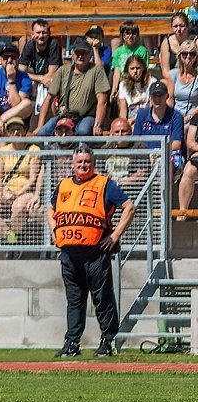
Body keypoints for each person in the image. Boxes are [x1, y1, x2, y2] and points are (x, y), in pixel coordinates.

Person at [50, 142, 131, 359]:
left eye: (87, 161)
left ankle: (107, 341)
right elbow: (50, 208)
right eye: (79, 162)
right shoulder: (63, 186)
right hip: (69, 255)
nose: (83, 165)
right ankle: (72, 343)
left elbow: (129, 207)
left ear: (94, 163)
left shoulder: (104, 184)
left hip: (95, 253)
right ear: (73, 164)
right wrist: (54, 230)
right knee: (74, 301)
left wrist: (115, 236)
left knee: (102, 299)